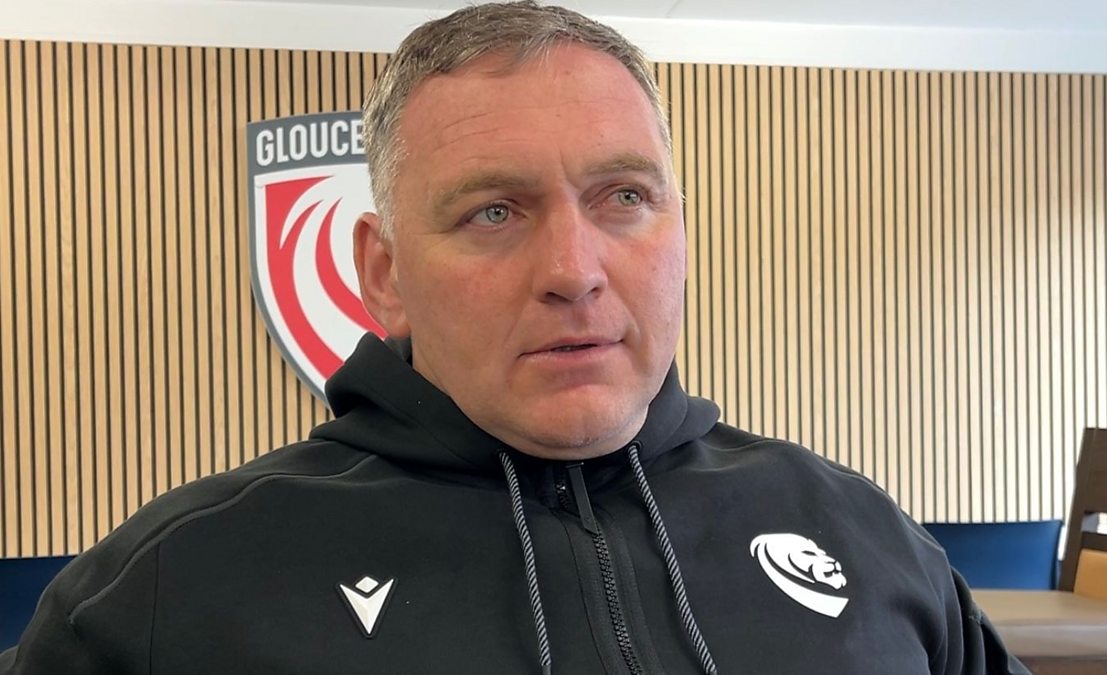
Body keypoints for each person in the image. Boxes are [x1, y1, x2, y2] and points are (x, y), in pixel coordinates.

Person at [1, 2, 1028, 673]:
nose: (574, 270)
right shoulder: (173, 589)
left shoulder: (859, 531)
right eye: (494, 211)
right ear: (385, 274)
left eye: (623, 197)